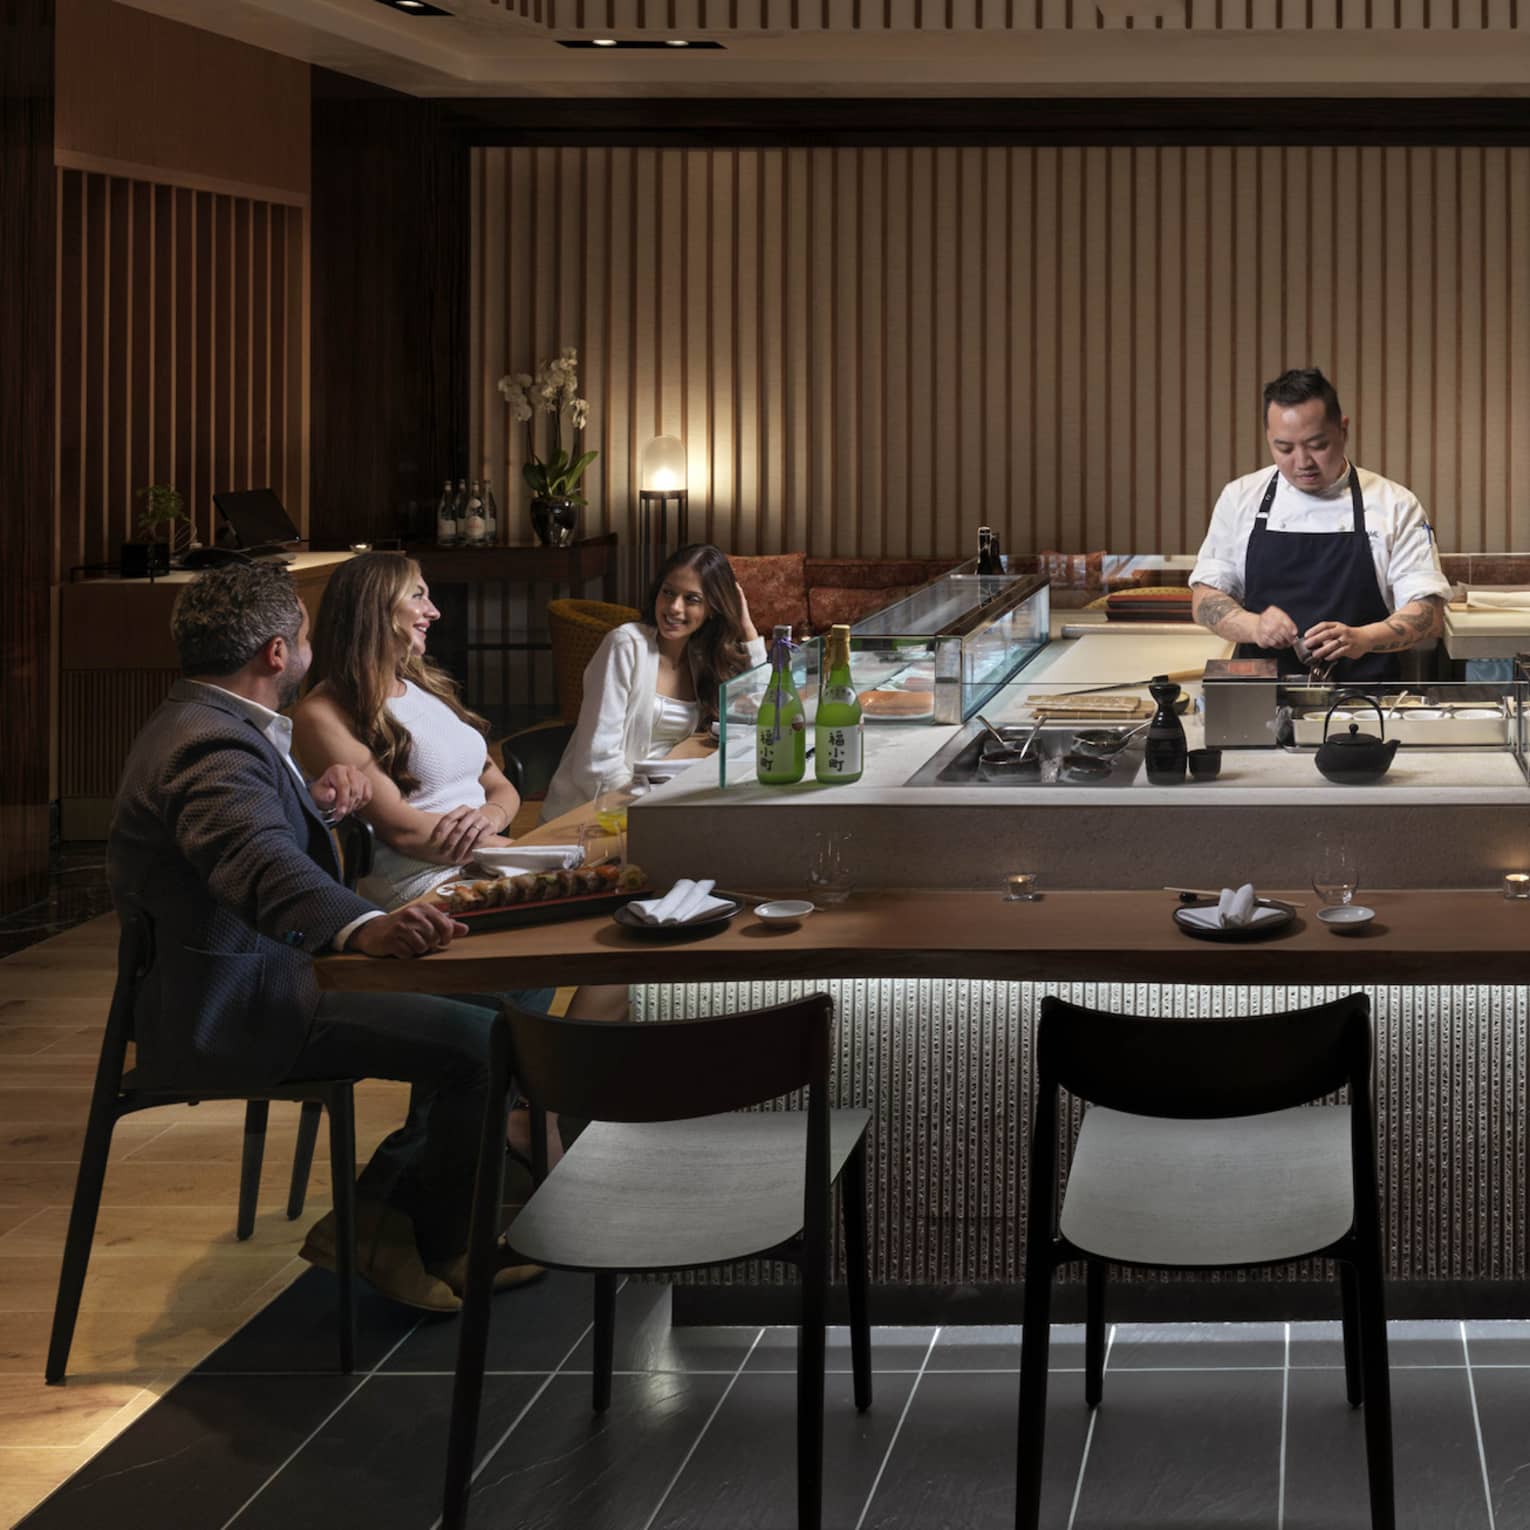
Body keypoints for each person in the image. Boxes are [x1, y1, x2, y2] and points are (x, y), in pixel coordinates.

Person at [108, 561, 536, 1314]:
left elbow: (253, 833)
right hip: (237, 1003)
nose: (312, 652)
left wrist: (317, 804)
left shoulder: (212, 724)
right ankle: (405, 1233)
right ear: (278, 653)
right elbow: (258, 864)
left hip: (267, 977)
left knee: (504, 1004)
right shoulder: (208, 745)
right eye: (304, 637)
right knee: (483, 1044)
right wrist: (364, 926)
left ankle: (405, 1227)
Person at [291, 552, 557, 1160]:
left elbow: (501, 785)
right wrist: (492, 843)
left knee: (564, 941)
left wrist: (491, 821)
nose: (433, 611)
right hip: (418, 891)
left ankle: (470, 1134)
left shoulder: (426, 687)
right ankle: (468, 1140)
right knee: (535, 965)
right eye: (417, 596)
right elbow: (405, 832)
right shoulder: (323, 712)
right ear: (374, 610)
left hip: (481, 864)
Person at [1189, 367, 1450, 686]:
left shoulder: (1395, 504)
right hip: (1258, 698)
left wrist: (1364, 638)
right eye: (1284, 448)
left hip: (1365, 699)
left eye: (1317, 445)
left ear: (1343, 430)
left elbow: (1429, 614)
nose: (1302, 462)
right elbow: (1205, 599)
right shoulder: (1241, 498)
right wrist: (1254, 626)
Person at [541, 542, 766, 821]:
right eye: (668, 592)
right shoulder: (625, 646)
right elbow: (597, 763)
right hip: (596, 813)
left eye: (692, 599)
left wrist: (748, 630)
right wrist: (648, 807)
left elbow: (760, 713)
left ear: (712, 608)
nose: (674, 607)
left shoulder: (699, 656)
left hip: (659, 801)